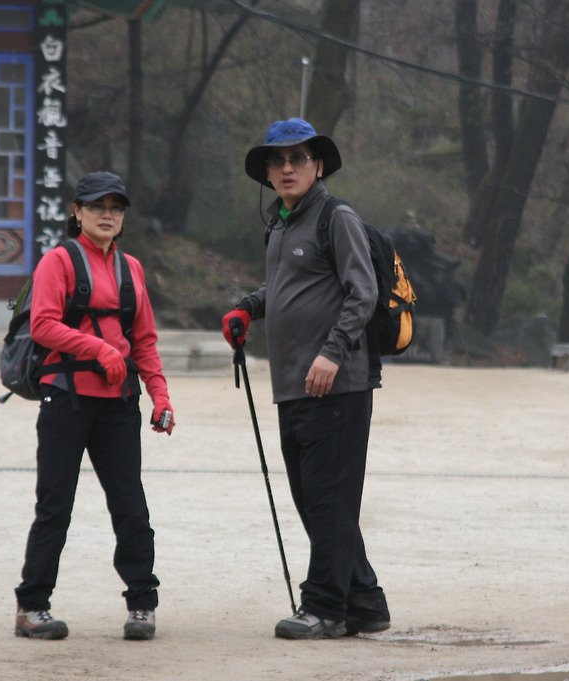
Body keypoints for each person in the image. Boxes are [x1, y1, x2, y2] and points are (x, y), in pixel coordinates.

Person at [221, 118, 391, 640]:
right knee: (313, 497)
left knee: (328, 500)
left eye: (298, 158)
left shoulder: (336, 218)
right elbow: (284, 287)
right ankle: (364, 602)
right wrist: (249, 307)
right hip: (293, 385)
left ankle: (324, 608)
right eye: (278, 160)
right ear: (269, 173)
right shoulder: (281, 223)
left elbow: (362, 293)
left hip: (337, 385)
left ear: (317, 165)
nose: (287, 167)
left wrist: (332, 354)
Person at [14, 171, 174, 641]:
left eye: (116, 207)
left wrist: (160, 395)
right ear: (76, 212)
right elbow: (42, 325)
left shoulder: (133, 269)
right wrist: (98, 349)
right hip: (66, 399)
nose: (108, 215)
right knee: (55, 504)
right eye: (97, 206)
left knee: (130, 506)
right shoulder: (58, 262)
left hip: (119, 404)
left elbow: (143, 340)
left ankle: (142, 605)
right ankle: (32, 606)